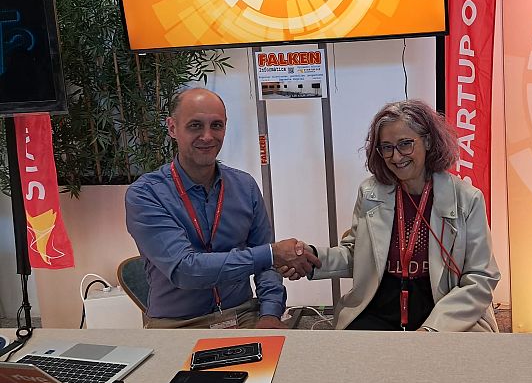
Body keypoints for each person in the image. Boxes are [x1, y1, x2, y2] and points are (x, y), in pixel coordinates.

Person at [125, 87, 320, 329]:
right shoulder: (145, 194)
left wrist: (270, 313)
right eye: (195, 125)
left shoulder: (244, 186)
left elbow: (267, 265)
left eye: (216, 125)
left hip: (242, 315)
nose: (207, 136)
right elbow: (186, 270)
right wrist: (272, 253)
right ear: (172, 128)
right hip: (178, 326)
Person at [299, 99, 500, 332]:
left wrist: (431, 330)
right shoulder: (370, 192)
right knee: (354, 358)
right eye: (387, 147)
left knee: (454, 362)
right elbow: (357, 255)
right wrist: (312, 258)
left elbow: (481, 277)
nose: (396, 157)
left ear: (427, 141)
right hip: (381, 301)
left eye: (405, 144)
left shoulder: (467, 198)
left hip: (443, 303)